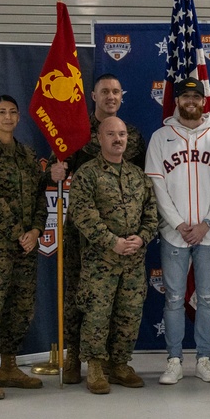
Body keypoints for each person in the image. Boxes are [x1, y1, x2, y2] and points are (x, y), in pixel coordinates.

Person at [49, 73, 146, 384]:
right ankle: (76, 356)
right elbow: (56, 167)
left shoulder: (132, 133)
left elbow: (139, 181)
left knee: (115, 302)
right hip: (83, 232)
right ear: (93, 95)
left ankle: (113, 362)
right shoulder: (76, 130)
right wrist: (56, 170)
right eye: (105, 91)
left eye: (116, 91)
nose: (111, 97)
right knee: (82, 294)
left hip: (123, 232)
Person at [145, 78, 210, 385]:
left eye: (197, 96)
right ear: (177, 101)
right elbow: (156, 184)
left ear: (204, 101)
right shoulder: (160, 137)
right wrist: (180, 224)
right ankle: (173, 360)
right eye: (186, 96)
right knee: (173, 299)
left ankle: (204, 359)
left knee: (207, 298)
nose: (191, 101)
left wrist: (206, 222)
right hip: (174, 232)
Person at [0, 95, 49, 400]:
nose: (7, 117)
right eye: (1, 112)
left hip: (25, 248)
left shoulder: (27, 155)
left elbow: (41, 197)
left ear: (18, 118)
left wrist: (36, 230)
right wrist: (19, 233)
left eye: (12, 112)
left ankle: (10, 366)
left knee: (20, 308)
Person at [70, 117, 158, 394]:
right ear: (99, 138)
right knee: (97, 314)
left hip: (133, 261)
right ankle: (96, 367)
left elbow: (151, 215)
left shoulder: (138, 175)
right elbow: (82, 214)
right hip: (101, 261)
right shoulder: (87, 174)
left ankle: (119, 364)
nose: (118, 139)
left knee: (128, 314)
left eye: (122, 134)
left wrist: (141, 237)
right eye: (111, 134)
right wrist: (112, 242)